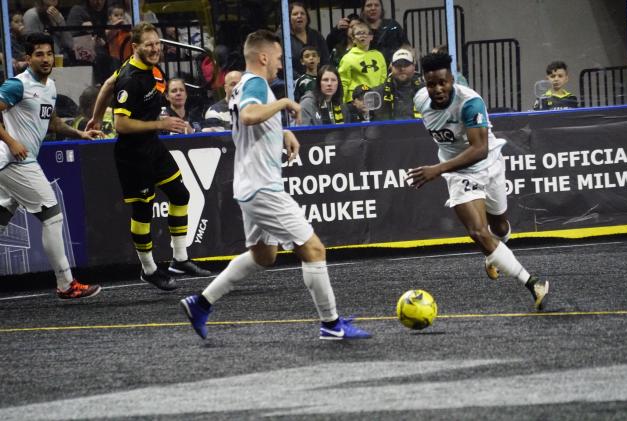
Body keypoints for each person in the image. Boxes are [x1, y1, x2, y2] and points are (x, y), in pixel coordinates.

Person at [180, 29, 371, 341]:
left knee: (264, 256)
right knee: (313, 249)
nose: (281, 65)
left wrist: (280, 133)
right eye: (279, 58)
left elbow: (250, 122)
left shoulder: (243, 84)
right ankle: (331, 325)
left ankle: (200, 303)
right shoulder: (255, 82)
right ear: (264, 57)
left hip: (248, 184)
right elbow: (250, 116)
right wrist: (283, 103)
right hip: (262, 187)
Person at [409, 52, 549, 310]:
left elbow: (479, 149)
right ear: (424, 83)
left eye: (443, 82)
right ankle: (533, 283)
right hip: (459, 174)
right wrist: (445, 169)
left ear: (452, 79)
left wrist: (437, 169)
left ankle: (493, 253)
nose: (438, 89)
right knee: (478, 232)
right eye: (431, 84)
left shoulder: (470, 102)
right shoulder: (420, 100)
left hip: (489, 164)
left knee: (500, 226)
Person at [89, 22, 211, 290]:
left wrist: (95, 118)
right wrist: (160, 124)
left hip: (152, 146)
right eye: (149, 44)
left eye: (157, 43)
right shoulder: (131, 78)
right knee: (143, 210)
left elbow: (108, 83)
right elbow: (121, 125)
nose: (155, 48)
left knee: (181, 194)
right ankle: (149, 269)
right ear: (135, 48)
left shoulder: (147, 69)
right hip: (132, 154)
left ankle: (180, 258)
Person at [0, 32, 103, 299]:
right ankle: (66, 284)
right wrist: (11, 142)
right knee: (52, 216)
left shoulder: (50, 87)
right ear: (27, 58)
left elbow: (54, 124)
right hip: (13, 160)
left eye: (48, 54)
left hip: (14, 162)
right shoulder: (17, 85)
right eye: (39, 54)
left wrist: (81, 134)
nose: (45, 59)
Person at [338, 20, 387, 103]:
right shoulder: (347, 58)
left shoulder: (379, 56)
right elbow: (343, 82)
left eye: (364, 33)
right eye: (358, 33)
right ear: (353, 39)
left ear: (371, 37)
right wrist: (341, 104)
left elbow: (383, 79)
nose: (362, 36)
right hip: (356, 101)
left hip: (376, 99)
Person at [373, 48, 424, 121]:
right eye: (398, 65)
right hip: (387, 131)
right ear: (391, 67)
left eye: (406, 64)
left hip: (419, 131)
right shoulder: (377, 93)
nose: (402, 68)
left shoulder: (425, 91)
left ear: (413, 66)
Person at [284, 2, 329, 77]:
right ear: (288, 18)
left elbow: (326, 59)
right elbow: (283, 66)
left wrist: (321, 77)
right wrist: (302, 80)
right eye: (295, 14)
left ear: (307, 17)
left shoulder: (316, 35)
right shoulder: (283, 37)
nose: (299, 16)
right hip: (294, 81)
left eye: (302, 13)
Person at [360, 0, 409, 66]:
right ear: (363, 9)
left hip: (393, 66)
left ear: (381, 8)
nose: (373, 8)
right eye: (369, 5)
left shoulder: (392, 25)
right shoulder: (359, 28)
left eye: (376, 5)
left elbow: (406, 46)